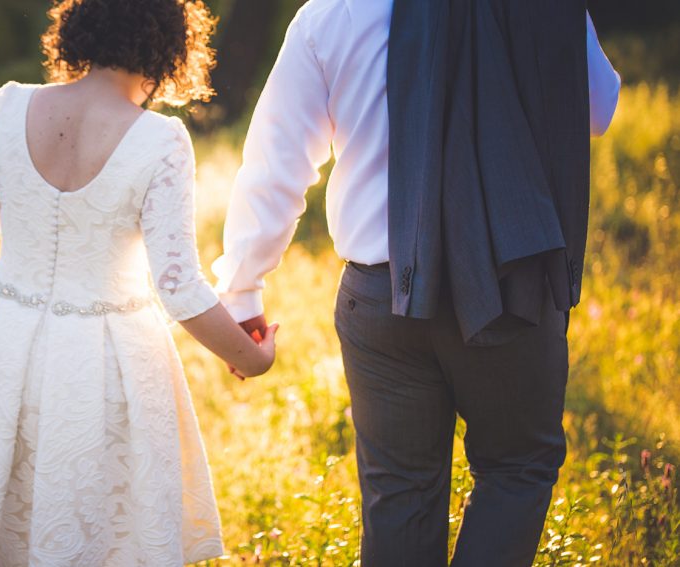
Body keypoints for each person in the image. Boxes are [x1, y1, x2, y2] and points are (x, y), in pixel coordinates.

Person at [213, 1, 620, 565]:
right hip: (510, 286)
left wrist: (242, 289)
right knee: (515, 470)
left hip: (381, 297)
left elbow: (276, 159)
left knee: (400, 494)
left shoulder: (334, 13)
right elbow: (595, 109)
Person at [0, 0, 278, 564]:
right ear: (168, 48)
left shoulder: (6, 106)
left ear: (81, 28)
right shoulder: (162, 140)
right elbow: (178, 286)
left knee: (2, 521)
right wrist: (252, 355)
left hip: (0, 339)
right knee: (93, 534)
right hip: (105, 363)